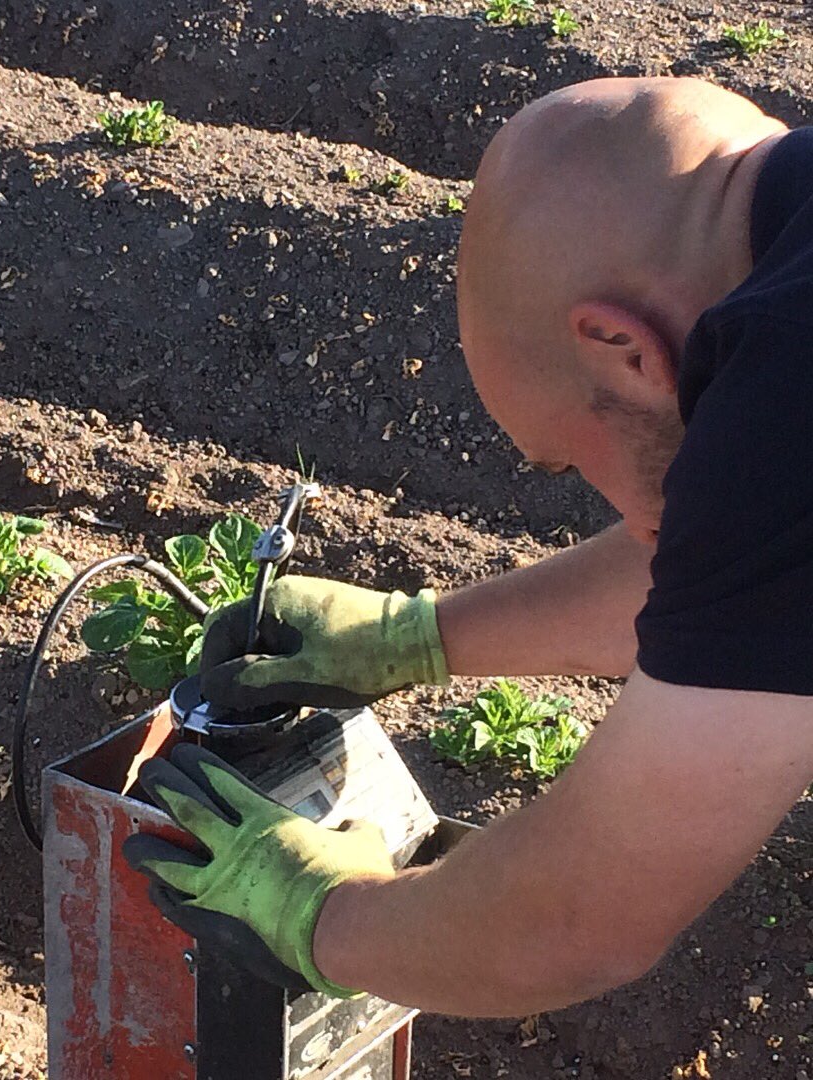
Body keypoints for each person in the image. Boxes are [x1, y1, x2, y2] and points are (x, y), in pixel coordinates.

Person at [123, 77, 813, 1016]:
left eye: (565, 459)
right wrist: (416, 636)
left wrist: (319, 914)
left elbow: (577, 920)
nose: (604, 491)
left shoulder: (788, 395)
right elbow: (745, 580)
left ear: (624, 349)